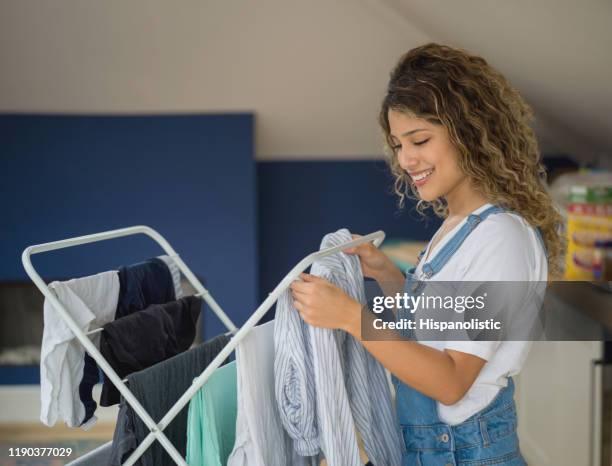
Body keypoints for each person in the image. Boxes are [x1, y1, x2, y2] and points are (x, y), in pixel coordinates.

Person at [289, 43, 564, 465]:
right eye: (398, 145)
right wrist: (385, 274)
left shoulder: (501, 239)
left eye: (419, 140)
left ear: (470, 133)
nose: (405, 159)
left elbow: (453, 380)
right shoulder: (457, 227)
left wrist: (351, 318)